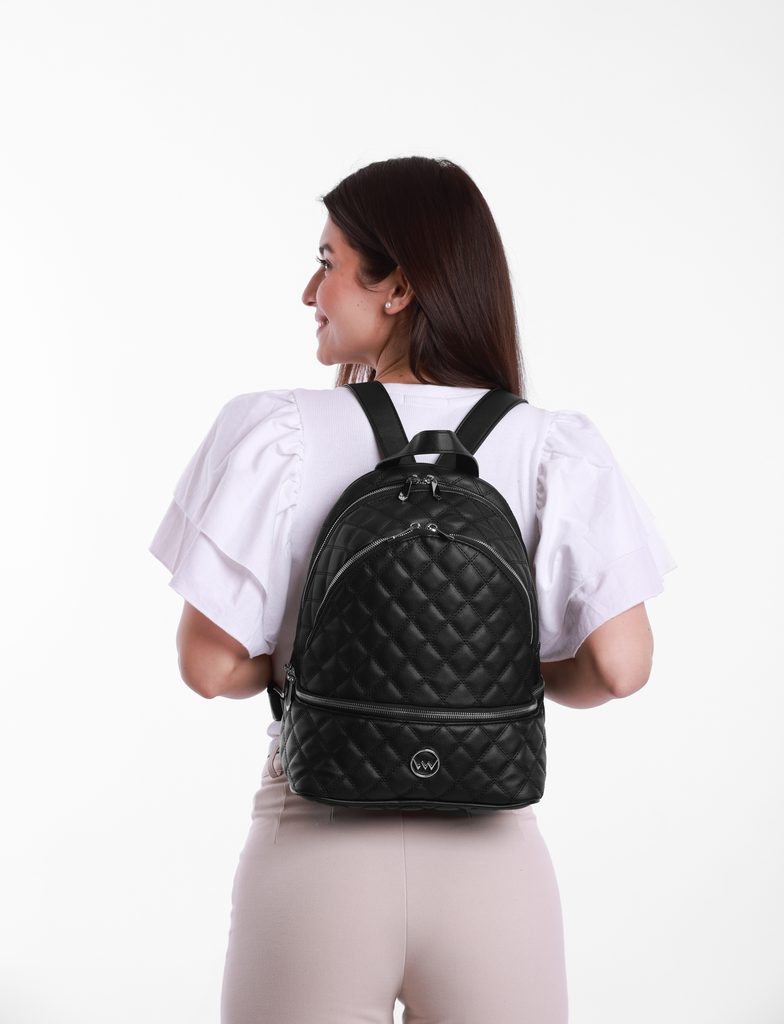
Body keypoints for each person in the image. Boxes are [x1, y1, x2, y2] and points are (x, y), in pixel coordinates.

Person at [148, 156, 677, 1024]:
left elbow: (208, 667)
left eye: (328, 262)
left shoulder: (278, 432)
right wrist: (481, 677)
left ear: (397, 288)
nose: (309, 290)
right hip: (493, 856)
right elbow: (621, 667)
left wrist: (319, 666)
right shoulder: (550, 448)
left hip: (316, 842)